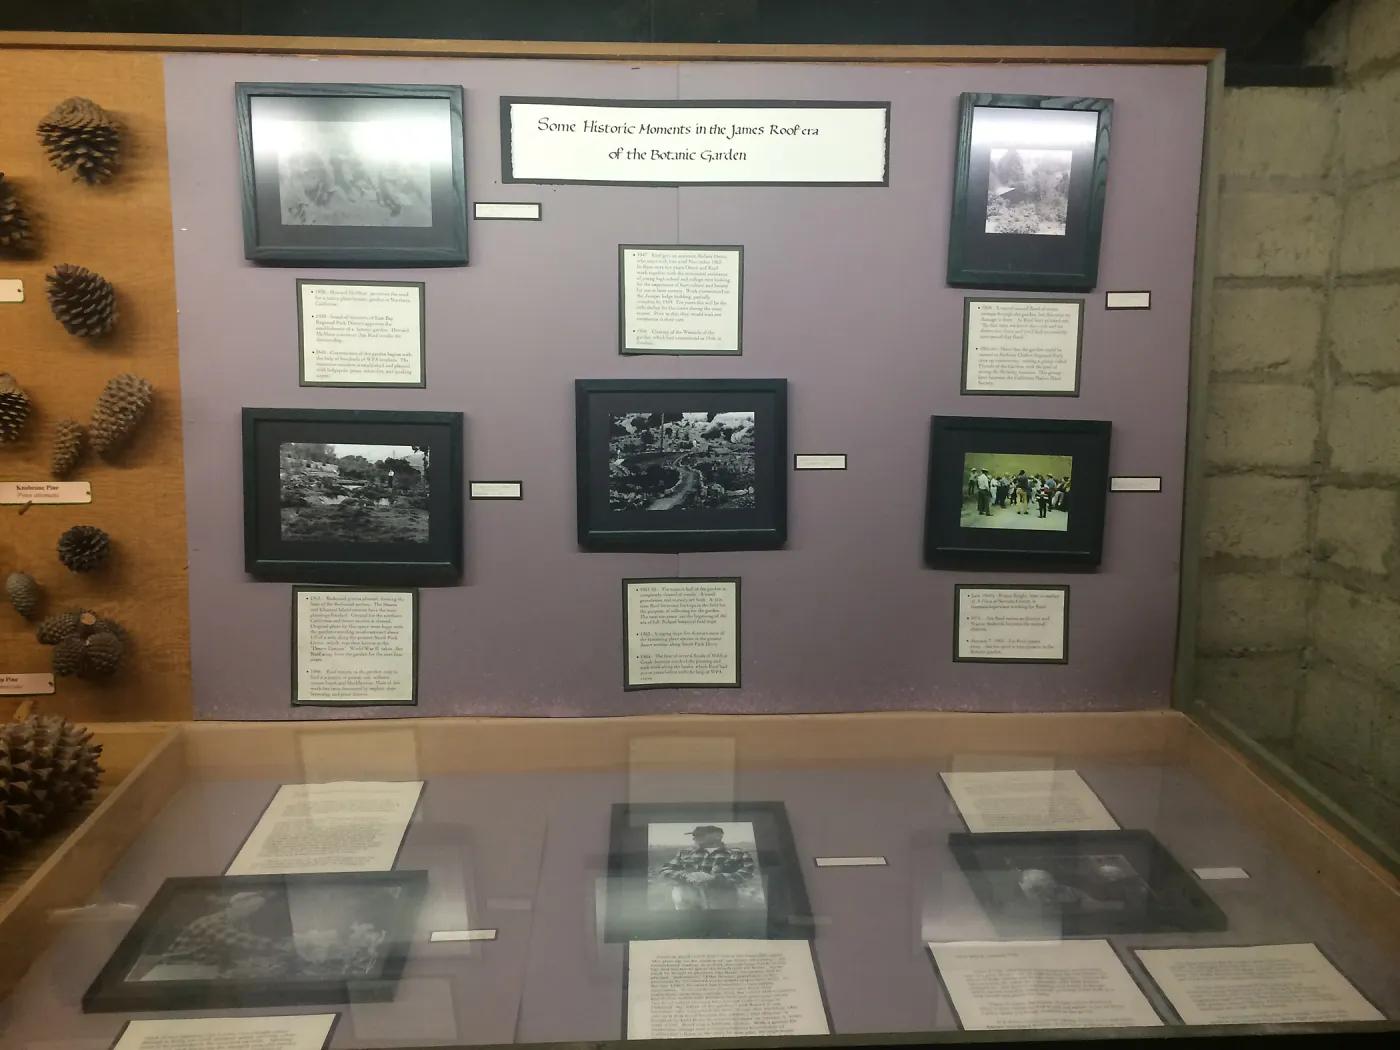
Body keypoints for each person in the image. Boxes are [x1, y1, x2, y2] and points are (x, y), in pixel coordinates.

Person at [659, 825, 757, 910]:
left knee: (721, 924)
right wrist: (686, 876)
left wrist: (717, 879)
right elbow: (665, 870)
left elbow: (748, 872)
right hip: (688, 894)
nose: (694, 837)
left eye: (701, 834)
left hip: (722, 894)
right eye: (694, 835)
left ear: (718, 836)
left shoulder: (737, 853)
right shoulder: (684, 852)